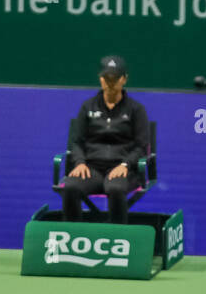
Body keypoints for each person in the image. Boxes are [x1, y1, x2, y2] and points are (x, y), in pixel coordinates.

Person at [62, 55, 150, 224]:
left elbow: (141, 146)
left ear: (124, 79)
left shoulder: (136, 110)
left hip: (124, 169)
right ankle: (72, 236)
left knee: (116, 188)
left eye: (115, 78)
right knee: (71, 186)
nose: (110, 83)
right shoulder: (87, 107)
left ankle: (118, 239)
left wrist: (126, 164)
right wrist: (80, 162)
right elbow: (77, 142)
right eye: (106, 78)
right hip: (91, 168)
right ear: (100, 79)